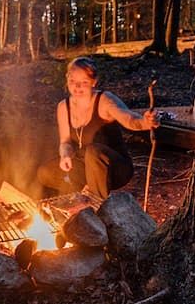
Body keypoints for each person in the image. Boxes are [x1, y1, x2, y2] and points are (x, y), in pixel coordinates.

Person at [36, 56, 160, 200]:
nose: (77, 87)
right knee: (45, 172)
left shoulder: (104, 100)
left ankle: (97, 204)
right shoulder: (64, 107)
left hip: (115, 169)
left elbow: (129, 119)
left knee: (93, 151)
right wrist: (65, 155)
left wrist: (146, 122)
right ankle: (76, 199)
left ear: (94, 82)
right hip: (85, 169)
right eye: (73, 82)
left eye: (83, 82)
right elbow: (65, 142)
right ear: (67, 79)